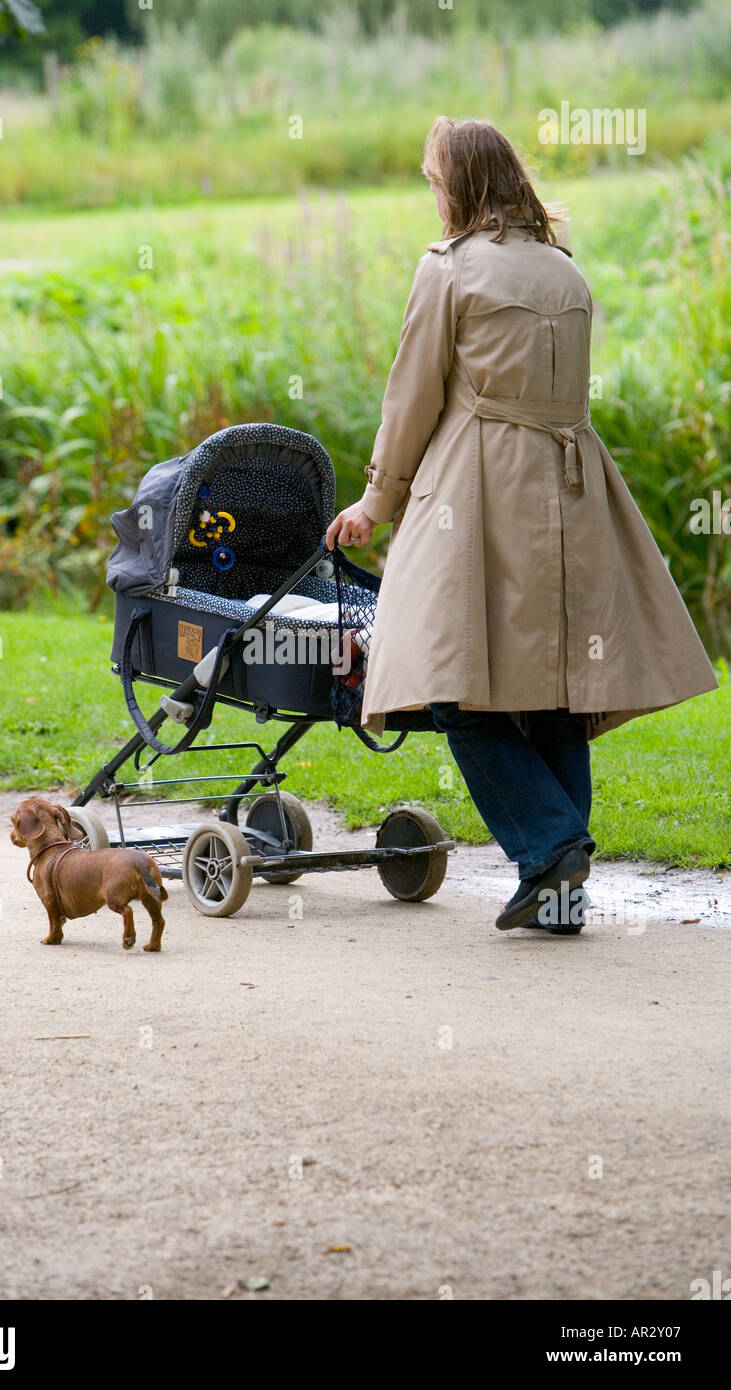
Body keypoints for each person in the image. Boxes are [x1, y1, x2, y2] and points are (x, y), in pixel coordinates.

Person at [325, 117, 717, 935]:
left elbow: (412, 399)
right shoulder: (562, 270)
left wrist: (375, 503)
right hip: (575, 490)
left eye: (434, 178)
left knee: (453, 687)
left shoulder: (448, 270)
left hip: (476, 492)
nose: (430, 192)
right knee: (555, 693)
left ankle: (550, 849)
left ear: (458, 184)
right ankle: (559, 888)